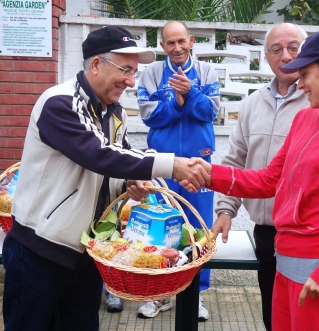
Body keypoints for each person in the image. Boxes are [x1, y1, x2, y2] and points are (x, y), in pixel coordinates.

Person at [181, 27, 319, 331]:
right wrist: (209, 174)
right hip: (283, 270)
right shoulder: (305, 119)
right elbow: (269, 180)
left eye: (305, 73)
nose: (301, 83)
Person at [2, 25, 209, 331]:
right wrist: (172, 164)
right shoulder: (59, 103)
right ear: (96, 65)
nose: (131, 81)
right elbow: (99, 154)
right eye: (126, 70)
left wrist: (129, 183)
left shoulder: (113, 112)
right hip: (40, 252)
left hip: (86, 252)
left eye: (134, 72)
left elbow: (116, 163)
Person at [212, 22, 308, 331]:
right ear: (266, 56)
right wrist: (226, 209)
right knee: (273, 312)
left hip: (306, 232)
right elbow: (235, 160)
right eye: (277, 49)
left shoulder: (318, 101)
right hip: (265, 231)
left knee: (306, 314)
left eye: (293, 47)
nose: (286, 55)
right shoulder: (252, 103)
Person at [137, 20, 220, 321]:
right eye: (170, 43)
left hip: (199, 161)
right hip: (163, 162)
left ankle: (194, 293)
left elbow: (211, 113)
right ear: (163, 46)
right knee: (161, 225)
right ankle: (159, 294)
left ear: (192, 40)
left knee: (199, 226)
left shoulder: (208, 72)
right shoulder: (151, 73)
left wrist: (192, 95)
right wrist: (178, 100)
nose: (177, 47)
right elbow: (150, 117)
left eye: (181, 41)